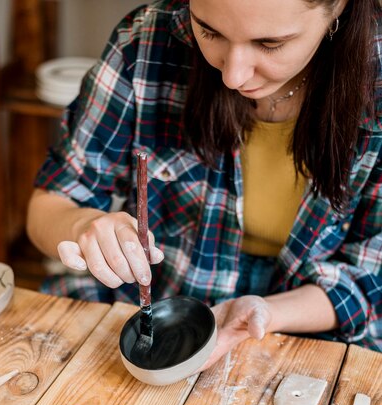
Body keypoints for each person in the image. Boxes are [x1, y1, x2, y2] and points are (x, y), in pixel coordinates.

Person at [27, 0, 382, 369]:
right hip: (158, 299)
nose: (233, 76)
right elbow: (53, 200)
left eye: (270, 43)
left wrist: (267, 312)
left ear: (338, 7)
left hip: (317, 318)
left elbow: (375, 280)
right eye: (209, 31)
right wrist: (82, 226)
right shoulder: (146, 40)